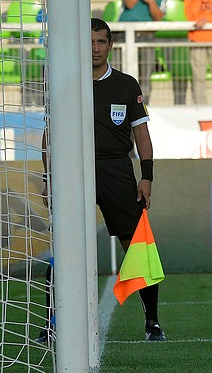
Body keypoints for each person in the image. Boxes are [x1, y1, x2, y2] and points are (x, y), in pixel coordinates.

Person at [37, 18, 165, 342]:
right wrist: (49, 178)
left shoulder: (127, 84)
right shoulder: (65, 81)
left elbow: (142, 135)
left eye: (101, 42)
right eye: (90, 42)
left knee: (138, 247)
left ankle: (153, 322)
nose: (95, 48)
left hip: (117, 170)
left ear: (110, 45)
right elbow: (49, 135)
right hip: (72, 170)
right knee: (63, 249)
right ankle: (52, 324)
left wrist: (146, 177)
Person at [119, 0, 166, 104]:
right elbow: (129, 4)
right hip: (123, 35)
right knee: (120, 74)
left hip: (147, 36)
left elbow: (158, 18)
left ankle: (143, 107)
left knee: (145, 75)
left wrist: (151, 2)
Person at [184, 0, 212, 105]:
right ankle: (199, 108)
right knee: (198, 78)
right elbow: (190, 15)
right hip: (197, 38)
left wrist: (206, 19)